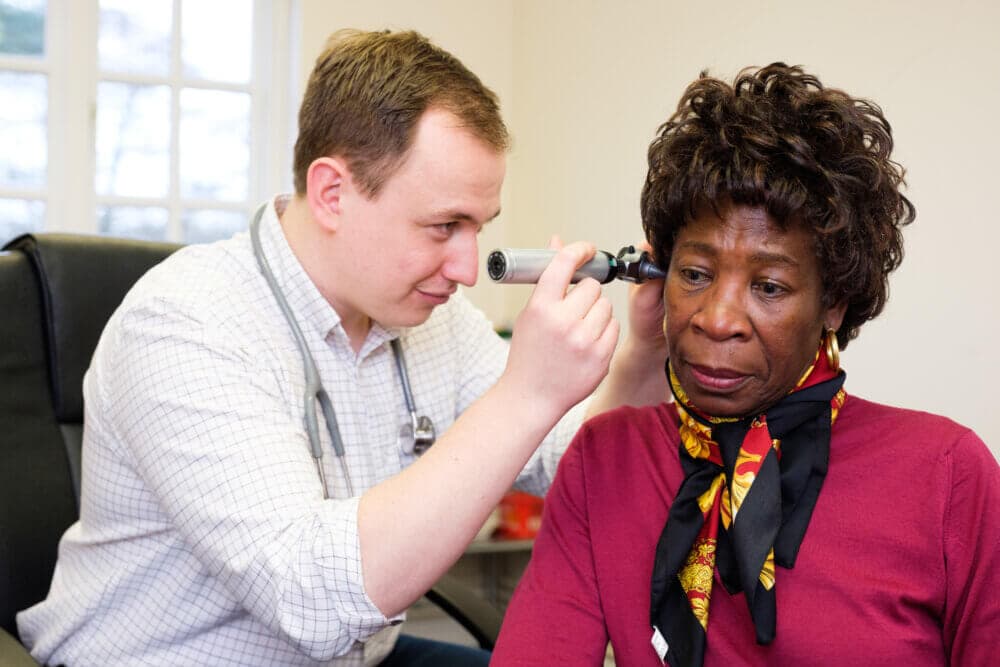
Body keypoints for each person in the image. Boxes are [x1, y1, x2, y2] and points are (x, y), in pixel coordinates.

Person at [16, 30, 668, 666]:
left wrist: (643, 352)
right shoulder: (186, 324)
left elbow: (570, 458)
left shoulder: (428, 317)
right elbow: (314, 600)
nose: (468, 267)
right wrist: (527, 392)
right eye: (444, 225)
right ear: (333, 193)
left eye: (478, 227)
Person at [491, 63, 1000, 666]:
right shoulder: (605, 461)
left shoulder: (945, 475)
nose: (717, 318)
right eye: (696, 274)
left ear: (833, 302)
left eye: (770, 287)